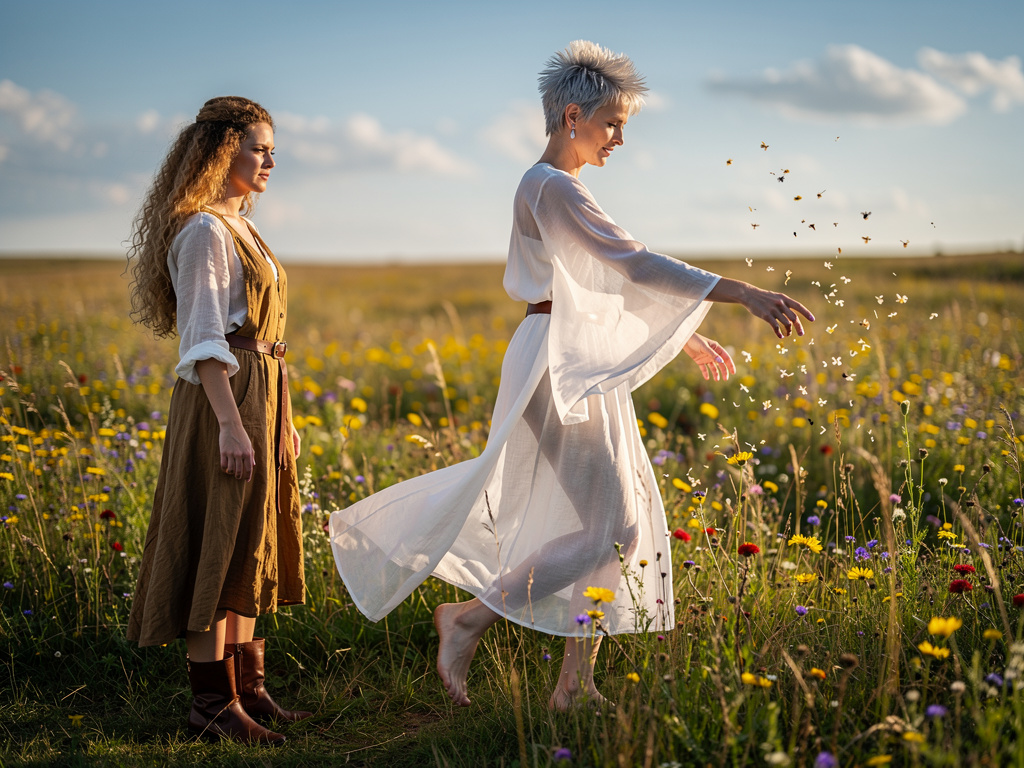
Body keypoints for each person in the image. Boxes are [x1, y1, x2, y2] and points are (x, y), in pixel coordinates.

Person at [329, 41, 813, 710]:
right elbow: (636, 263)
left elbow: (602, 284)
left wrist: (687, 333)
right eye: (613, 123)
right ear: (573, 116)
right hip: (555, 360)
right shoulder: (550, 185)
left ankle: (574, 684)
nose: (620, 139)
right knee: (614, 529)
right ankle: (469, 620)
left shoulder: (560, 187)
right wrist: (745, 294)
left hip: (570, 353)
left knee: (615, 526)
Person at [126, 96, 311, 744]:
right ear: (222, 150)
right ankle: (210, 705)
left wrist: (282, 421)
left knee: (250, 539)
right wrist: (232, 425)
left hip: (262, 395)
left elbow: (267, 340)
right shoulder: (205, 230)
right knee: (217, 535)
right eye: (259, 148)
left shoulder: (242, 225)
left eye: (271, 149)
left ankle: (247, 691)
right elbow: (205, 340)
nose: (270, 161)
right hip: (223, 400)